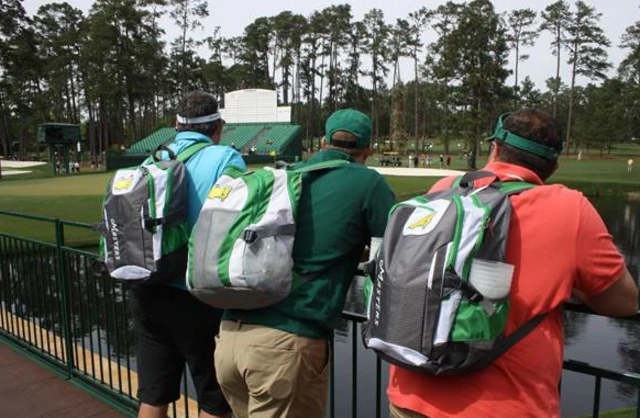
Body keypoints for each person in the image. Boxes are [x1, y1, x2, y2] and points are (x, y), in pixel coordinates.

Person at [387, 109, 639, 418]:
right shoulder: (570, 209)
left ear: (494, 148)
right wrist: (575, 288)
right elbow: (624, 302)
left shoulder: (444, 189)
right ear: (553, 166)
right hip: (505, 406)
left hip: (411, 394)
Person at [214, 109, 395, 418]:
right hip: (285, 346)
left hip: (229, 338)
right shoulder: (367, 181)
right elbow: (395, 250)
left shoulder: (286, 173)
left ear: (323, 141)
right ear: (367, 149)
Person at [130, 91, 246, 418]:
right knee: (214, 398)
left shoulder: (150, 160)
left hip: (147, 286)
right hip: (198, 293)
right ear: (218, 127)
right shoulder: (225, 158)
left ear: (176, 125)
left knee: (153, 396)